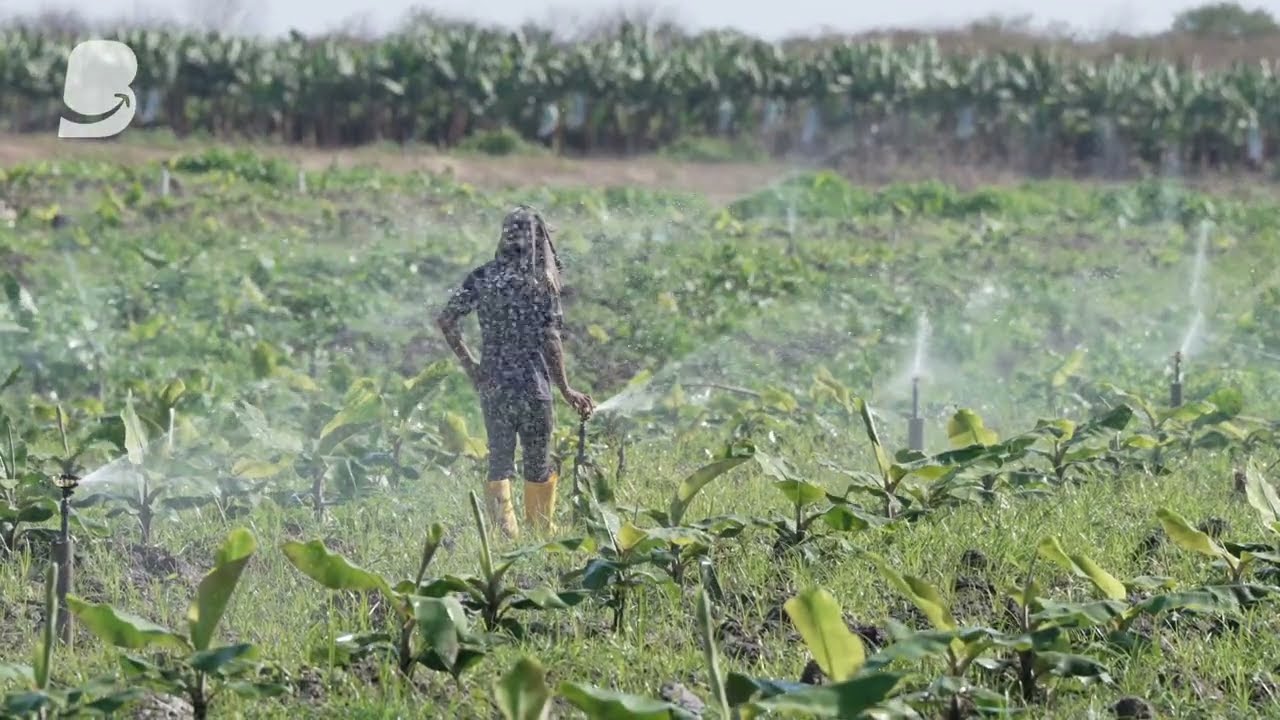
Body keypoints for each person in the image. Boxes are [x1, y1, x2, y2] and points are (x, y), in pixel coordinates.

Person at [436, 206, 594, 538]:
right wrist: (566, 389)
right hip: (534, 389)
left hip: (493, 386)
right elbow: (550, 338)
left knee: (499, 462)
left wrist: (472, 368)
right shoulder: (541, 284)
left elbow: (446, 320)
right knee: (538, 465)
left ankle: (506, 539)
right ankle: (540, 537)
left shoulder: (483, 277)